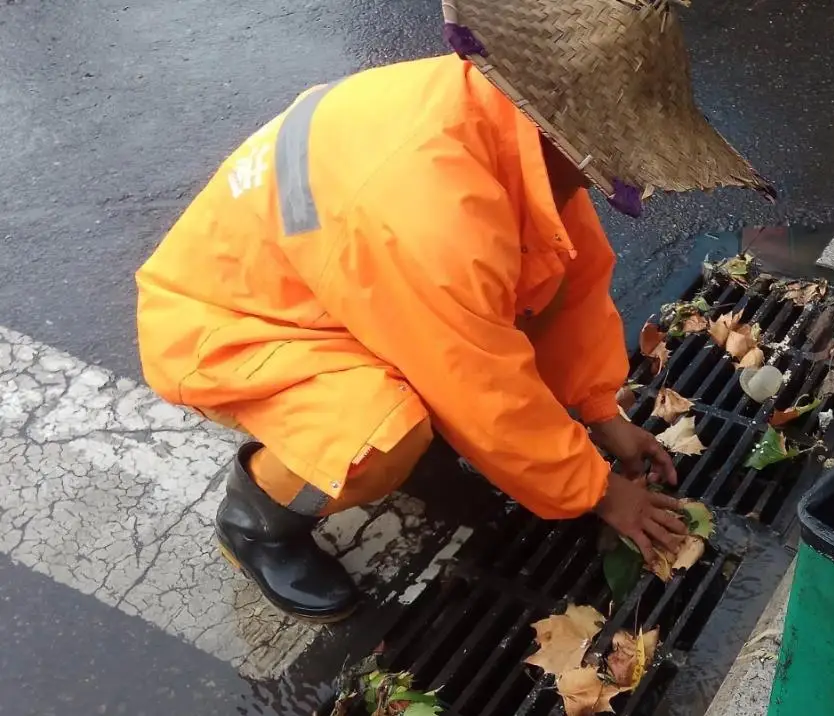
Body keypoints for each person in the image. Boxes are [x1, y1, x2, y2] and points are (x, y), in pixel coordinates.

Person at [134, 0, 771, 622]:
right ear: (568, 129)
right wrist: (600, 492)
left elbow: (571, 282)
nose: (618, 180)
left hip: (334, 285)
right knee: (383, 436)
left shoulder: (499, 119)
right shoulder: (430, 210)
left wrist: (600, 412)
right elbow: (479, 383)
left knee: (514, 296)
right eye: (618, 160)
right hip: (233, 324)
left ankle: (416, 413)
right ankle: (260, 513)